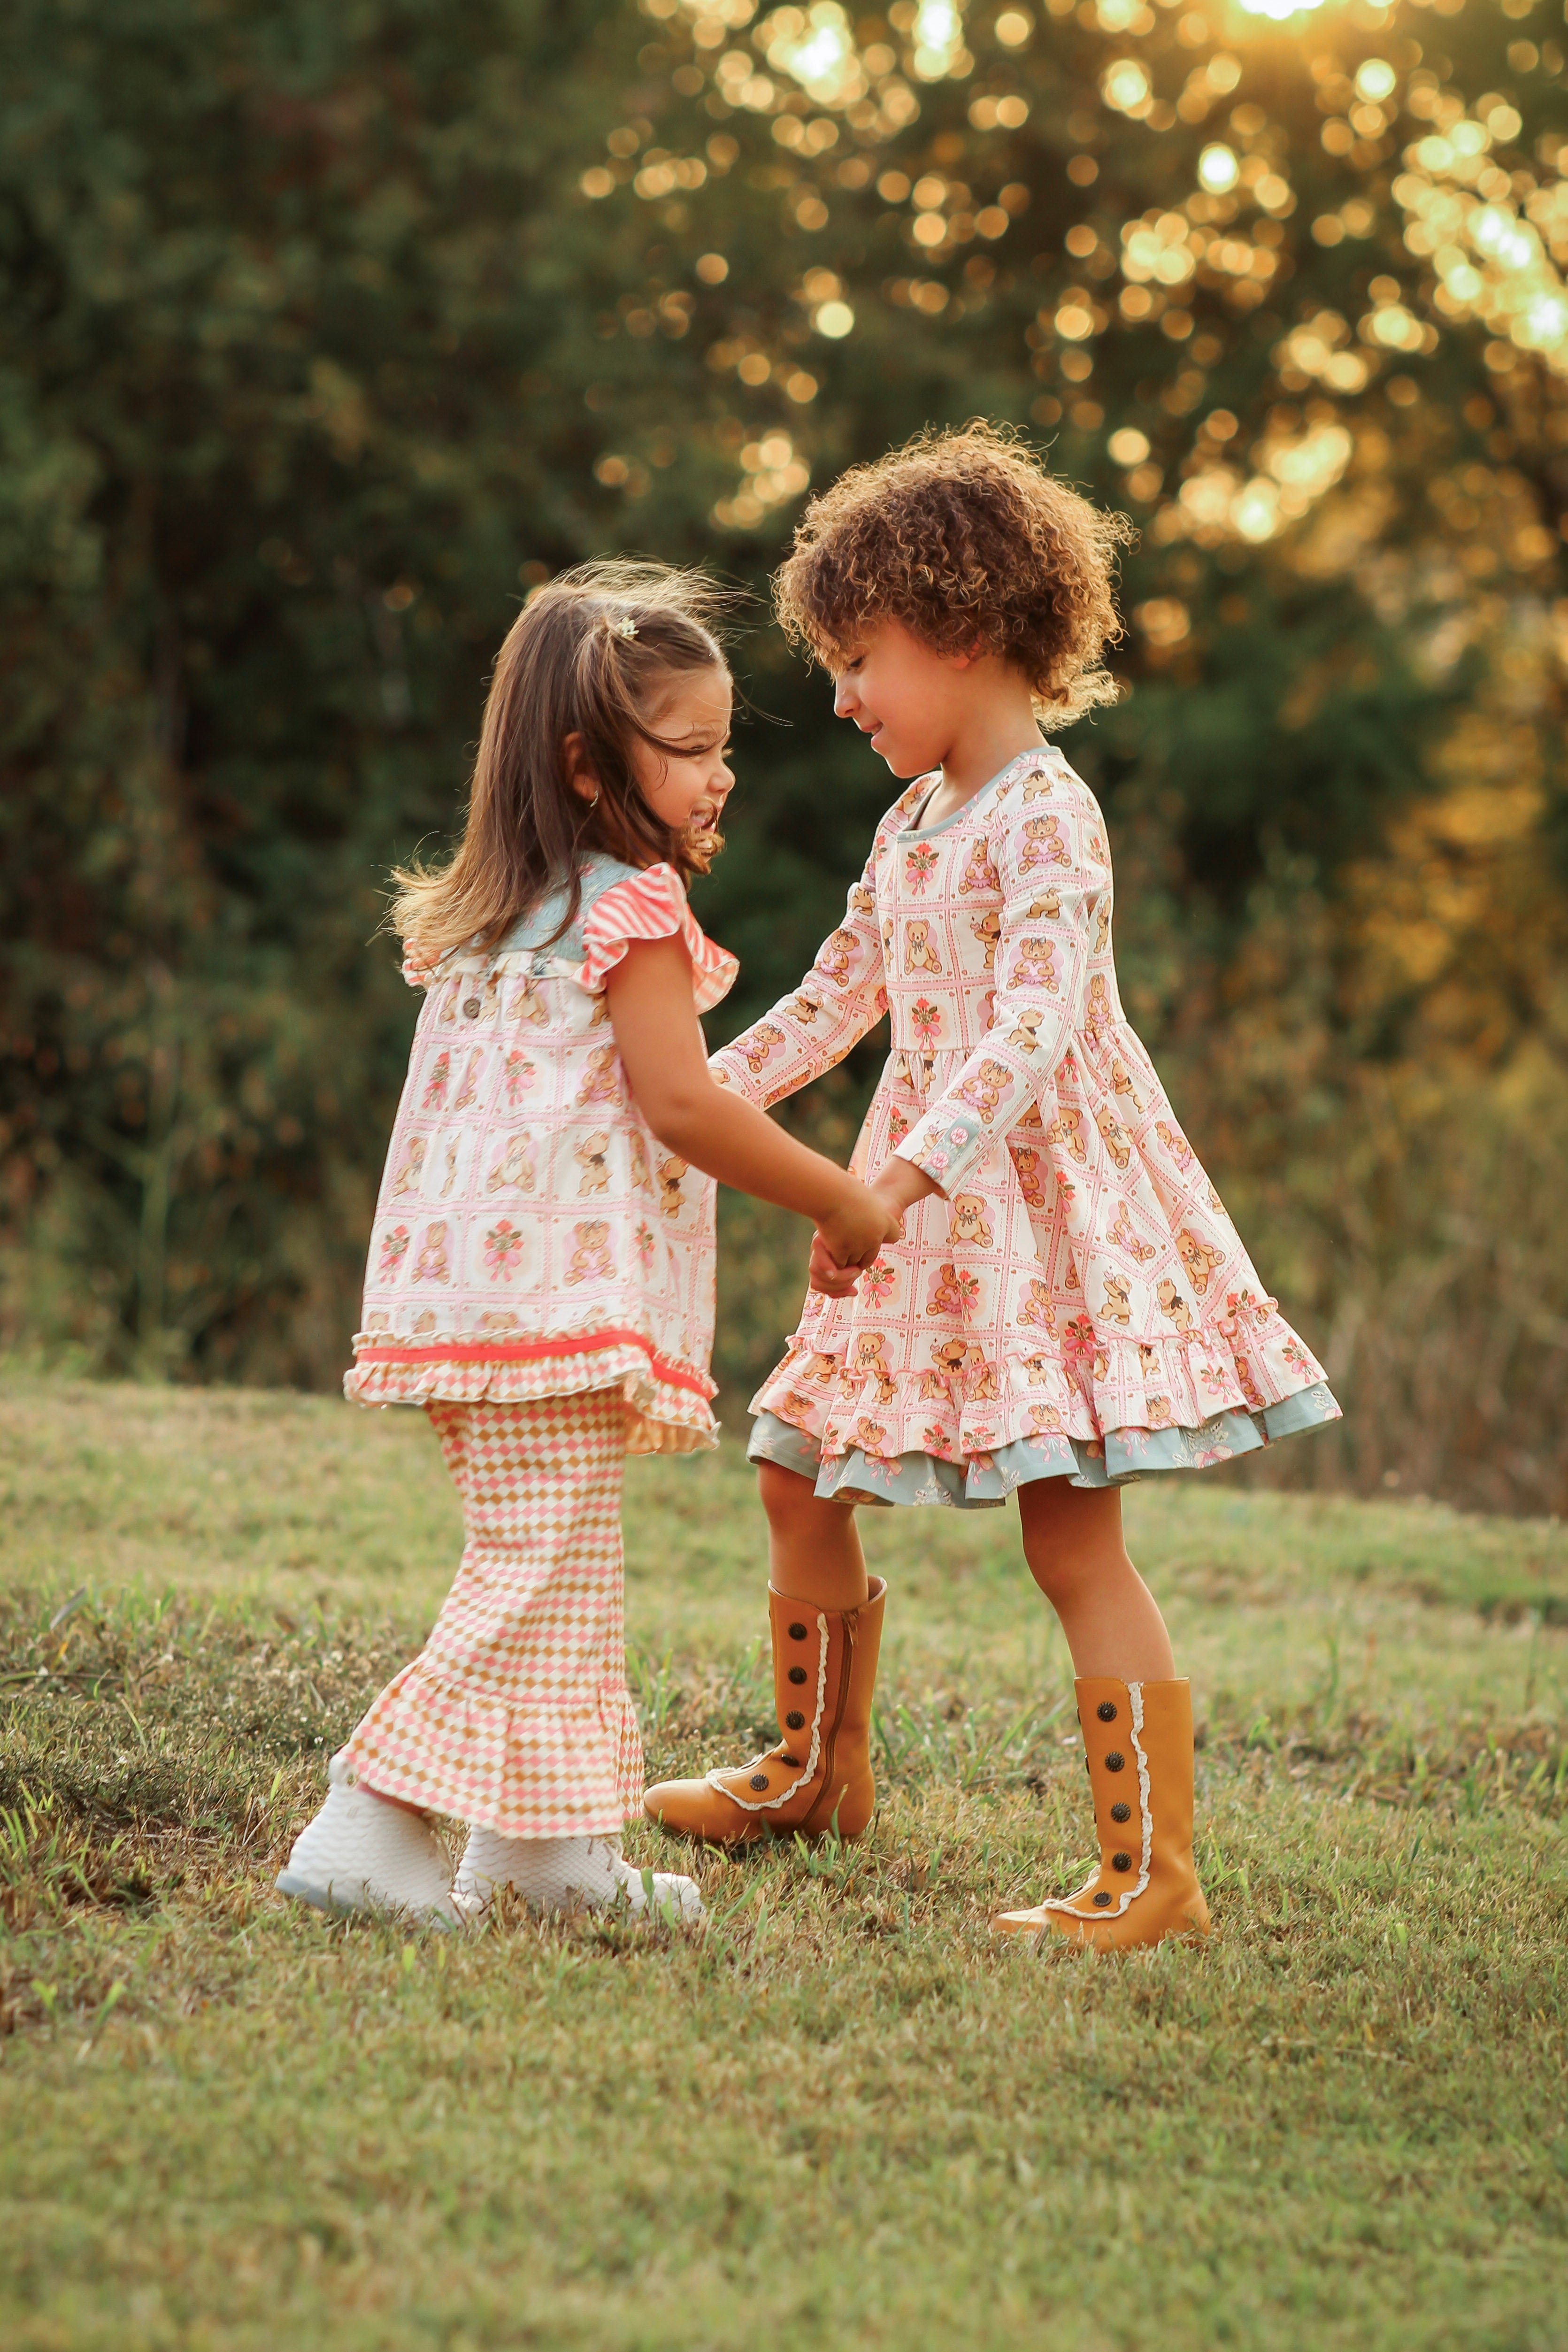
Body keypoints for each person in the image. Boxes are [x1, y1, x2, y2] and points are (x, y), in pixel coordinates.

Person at [643, 426, 1341, 1952]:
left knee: (1068, 1533)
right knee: (792, 1466)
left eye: (860, 659)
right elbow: (840, 995)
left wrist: (888, 1178)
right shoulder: (908, 823)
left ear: (961, 636)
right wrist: (678, 1099)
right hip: (910, 1213)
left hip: (1028, 1220)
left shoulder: (1048, 815)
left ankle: (1151, 1873)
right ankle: (816, 1774)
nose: (838, 699)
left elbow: (1027, 1030)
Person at [277, 562, 899, 1925]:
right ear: (581, 760)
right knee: (531, 1563)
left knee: (562, 1567)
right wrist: (836, 1197)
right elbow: (682, 1104)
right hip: (549, 1299)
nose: (718, 774)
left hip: (469, 1302)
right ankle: (364, 1821)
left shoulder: (496, 917)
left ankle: (546, 1856)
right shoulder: (632, 909)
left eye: (723, 745)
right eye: (686, 748)